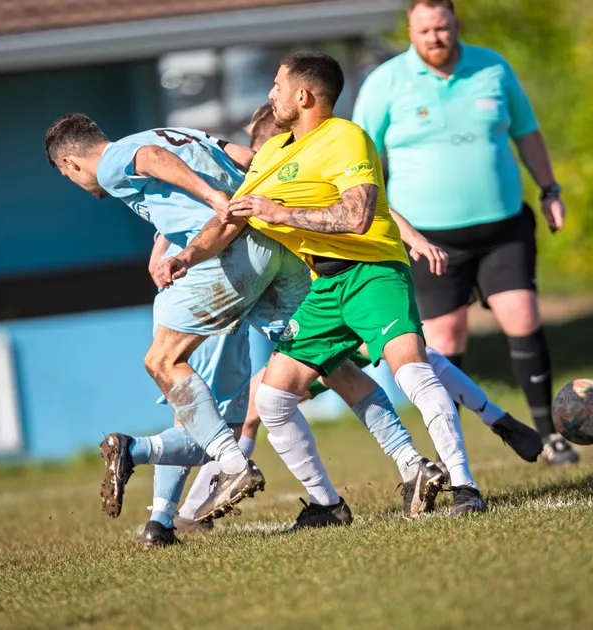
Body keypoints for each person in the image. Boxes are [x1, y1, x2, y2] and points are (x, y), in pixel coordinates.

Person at [159, 52, 545, 527]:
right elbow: (229, 220)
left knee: (412, 371)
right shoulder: (275, 155)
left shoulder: (346, 137)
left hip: (372, 271)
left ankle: (466, 485)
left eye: (277, 86)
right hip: (323, 287)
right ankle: (327, 505)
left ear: (303, 96)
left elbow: (357, 215)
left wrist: (282, 215)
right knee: (273, 399)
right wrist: (184, 256)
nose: (271, 94)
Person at [46, 113, 451, 547]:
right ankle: (410, 463)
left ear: (70, 163)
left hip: (229, 251)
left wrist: (214, 201)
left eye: (68, 177)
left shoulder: (111, 161)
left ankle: (227, 466)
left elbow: (152, 159)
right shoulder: (175, 131)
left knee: (162, 361)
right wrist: (173, 233)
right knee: (325, 362)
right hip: (272, 242)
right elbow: (245, 156)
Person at [352, 0, 580, 466]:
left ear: (455, 23)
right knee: (444, 345)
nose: (435, 37)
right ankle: (454, 453)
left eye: (442, 26)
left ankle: (549, 435)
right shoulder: (385, 82)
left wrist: (549, 188)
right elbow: (359, 161)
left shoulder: (492, 67)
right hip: (430, 239)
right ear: (410, 32)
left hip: (503, 225)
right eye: (424, 30)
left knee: (521, 314)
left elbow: (528, 132)